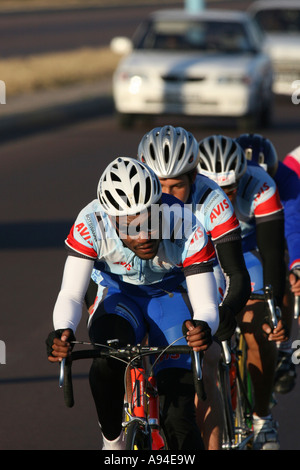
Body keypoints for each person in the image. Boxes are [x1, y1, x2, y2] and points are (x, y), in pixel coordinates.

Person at [46, 156, 221, 451]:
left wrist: (204, 326)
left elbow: (205, 303)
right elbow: (72, 294)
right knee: (107, 360)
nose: (143, 236)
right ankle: (112, 443)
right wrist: (62, 331)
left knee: (179, 418)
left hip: (168, 298)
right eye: (130, 227)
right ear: (110, 219)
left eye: (149, 221)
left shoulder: (185, 222)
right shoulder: (91, 222)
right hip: (119, 298)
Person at [136, 125, 251, 450]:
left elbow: (236, 274)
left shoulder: (213, 201)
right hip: (154, 282)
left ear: (193, 178)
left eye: (176, 185)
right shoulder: (133, 199)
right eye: (158, 184)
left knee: (206, 358)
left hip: (203, 273)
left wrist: (224, 314)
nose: (167, 192)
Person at [197, 134, 288, 450]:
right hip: (204, 257)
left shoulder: (261, 184)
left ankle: (262, 417)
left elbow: (274, 252)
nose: (222, 197)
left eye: (231, 189)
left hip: (247, 253)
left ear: (244, 175)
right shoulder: (185, 190)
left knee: (257, 327)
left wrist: (273, 306)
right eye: (214, 189)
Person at [236, 133, 300, 394]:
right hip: (235, 236)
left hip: (267, 233)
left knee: (282, 270)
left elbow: (293, 225)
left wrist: (296, 264)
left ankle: (284, 350)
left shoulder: (287, 178)